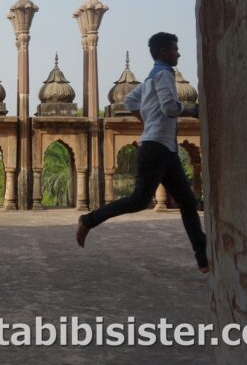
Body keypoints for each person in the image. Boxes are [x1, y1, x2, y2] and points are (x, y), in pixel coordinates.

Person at [76, 32, 209, 274]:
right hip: (156, 147)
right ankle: (89, 220)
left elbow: (129, 101)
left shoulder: (150, 79)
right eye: (174, 49)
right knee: (139, 200)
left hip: (165, 147)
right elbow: (169, 107)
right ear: (163, 52)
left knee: (187, 201)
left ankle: (203, 256)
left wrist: (147, 120)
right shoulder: (165, 74)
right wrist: (194, 109)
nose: (178, 53)